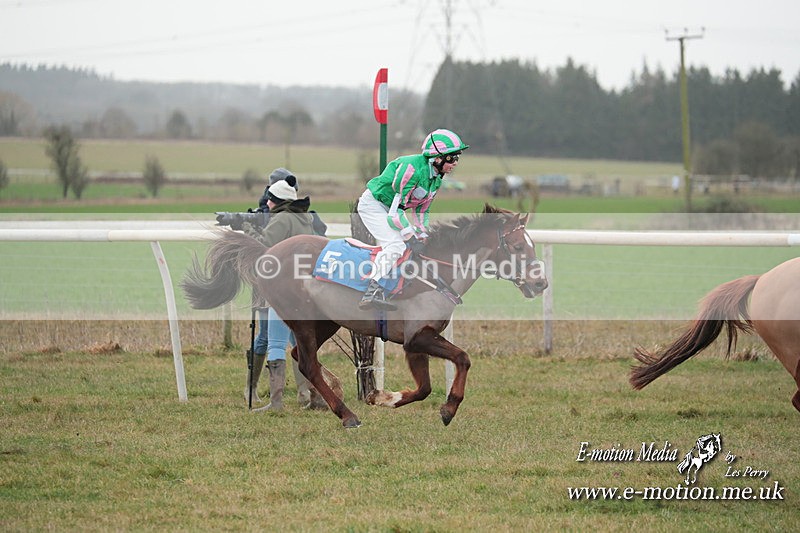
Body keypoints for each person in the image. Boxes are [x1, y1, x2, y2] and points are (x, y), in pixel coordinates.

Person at [356, 128, 469, 310]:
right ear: (437, 157)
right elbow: (395, 214)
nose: (455, 162)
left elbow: (421, 212)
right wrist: (409, 235)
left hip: (391, 208)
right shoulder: (411, 170)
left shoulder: (437, 178)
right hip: (374, 205)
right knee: (397, 245)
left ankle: (398, 287)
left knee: (416, 247)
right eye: (452, 158)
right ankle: (371, 290)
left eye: (457, 158)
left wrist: (423, 235)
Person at [243, 169, 326, 411]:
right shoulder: (306, 218)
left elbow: (263, 246)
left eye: (270, 199)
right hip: (305, 290)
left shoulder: (282, 219)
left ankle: (276, 401)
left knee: (275, 342)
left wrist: (248, 230)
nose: (266, 203)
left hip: (283, 289)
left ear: (278, 201)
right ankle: (314, 396)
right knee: (302, 343)